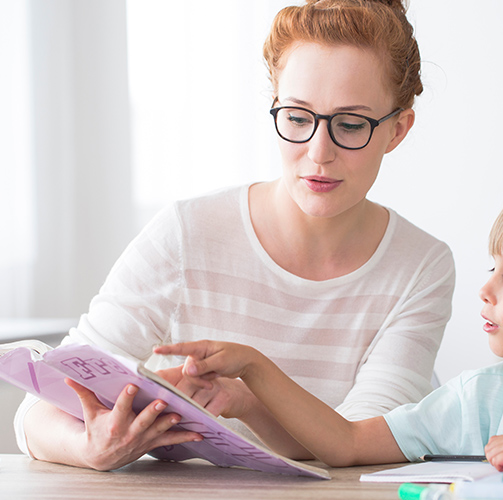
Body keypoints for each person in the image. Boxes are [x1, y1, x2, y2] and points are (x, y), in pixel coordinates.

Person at [16, 0, 455, 471]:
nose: (319, 152)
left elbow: (363, 441)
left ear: (398, 130)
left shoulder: (420, 265)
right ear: (274, 107)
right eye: (298, 118)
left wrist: (249, 397)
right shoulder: (188, 233)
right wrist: (90, 447)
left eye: (350, 125)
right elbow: (39, 410)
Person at [155, 179, 503, 471]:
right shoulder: (478, 397)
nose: (486, 288)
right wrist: (254, 376)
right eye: (492, 268)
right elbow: (347, 443)